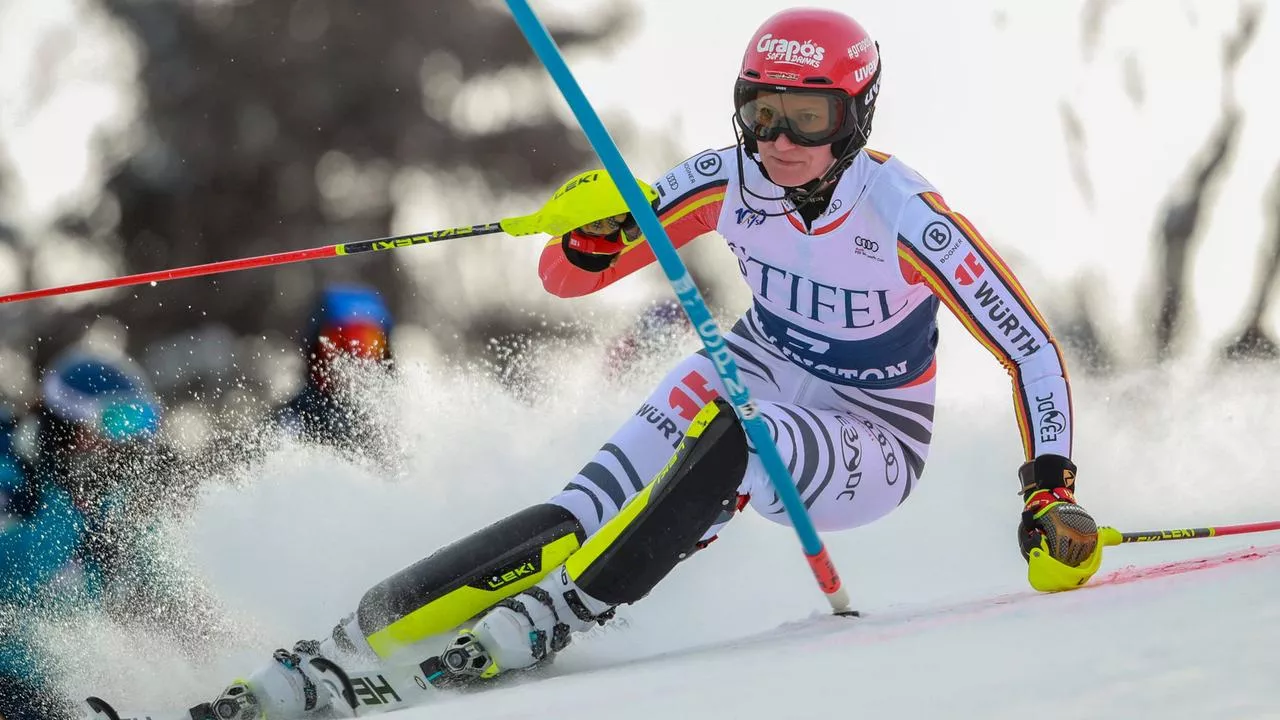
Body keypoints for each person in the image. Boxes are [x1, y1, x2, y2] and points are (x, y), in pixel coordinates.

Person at [205, 9, 1097, 718]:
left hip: (871, 433)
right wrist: (593, 239)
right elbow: (564, 277)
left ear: (857, 115)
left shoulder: (904, 215)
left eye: (808, 117)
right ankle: (356, 641)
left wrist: (1047, 488)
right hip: (754, 365)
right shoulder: (727, 178)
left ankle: (561, 613)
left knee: (738, 434)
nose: (779, 139)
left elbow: (1027, 343)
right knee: (585, 504)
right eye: (761, 109)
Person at [0, 349, 214, 720]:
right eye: (116, 422)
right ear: (66, 422)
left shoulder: (107, 500)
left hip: (71, 690)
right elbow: (16, 566)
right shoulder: (15, 485)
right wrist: (68, 511)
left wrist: (211, 613)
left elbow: (162, 570)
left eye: (138, 423)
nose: (122, 442)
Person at [274, 284, 395, 452]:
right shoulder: (295, 417)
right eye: (340, 342)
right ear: (315, 350)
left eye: (368, 343)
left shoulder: (399, 417)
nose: (354, 356)